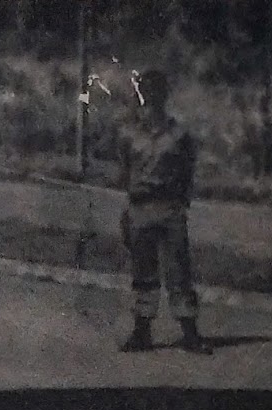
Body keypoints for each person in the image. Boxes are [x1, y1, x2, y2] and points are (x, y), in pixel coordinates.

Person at [118, 68, 210, 355]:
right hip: (140, 207)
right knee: (143, 271)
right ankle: (141, 331)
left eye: (155, 93)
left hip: (169, 208)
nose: (149, 99)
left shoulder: (179, 135)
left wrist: (181, 203)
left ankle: (190, 333)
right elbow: (124, 170)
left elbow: (188, 171)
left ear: (164, 96)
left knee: (178, 271)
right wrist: (129, 207)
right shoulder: (128, 134)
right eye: (145, 92)